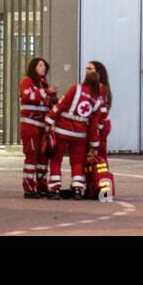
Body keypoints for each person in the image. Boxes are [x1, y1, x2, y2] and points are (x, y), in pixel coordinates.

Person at [43, 61, 107, 200]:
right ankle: (78, 188)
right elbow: (94, 124)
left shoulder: (75, 89)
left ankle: (55, 189)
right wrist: (94, 145)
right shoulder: (97, 100)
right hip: (80, 134)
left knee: (56, 160)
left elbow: (61, 106)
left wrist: (49, 120)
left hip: (63, 130)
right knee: (77, 161)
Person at [18, 57, 57, 199]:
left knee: (43, 157)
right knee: (31, 156)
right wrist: (47, 92)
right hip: (30, 125)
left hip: (42, 126)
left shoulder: (43, 83)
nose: (43, 68)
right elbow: (28, 96)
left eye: (45, 66)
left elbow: (47, 104)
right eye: (40, 65)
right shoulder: (27, 81)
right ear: (33, 67)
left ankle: (42, 186)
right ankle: (29, 188)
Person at [85, 60, 115, 200]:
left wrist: (96, 133)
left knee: (100, 157)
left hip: (100, 127)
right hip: (100, 126)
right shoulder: (100, 88)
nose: (87, 71)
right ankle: (96, 187)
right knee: (97, 158)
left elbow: (99, 114)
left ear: (98, 72)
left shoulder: (100, 88)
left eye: (90, 69)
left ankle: (103, 189)